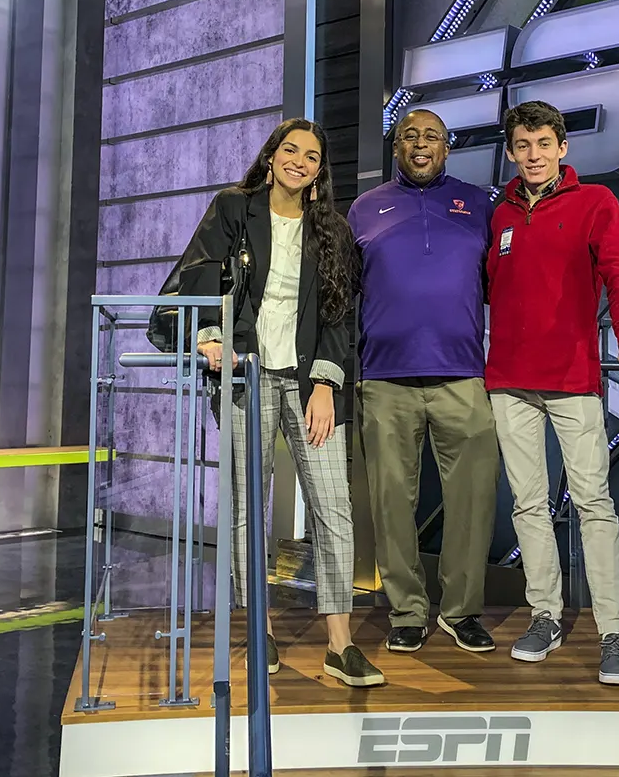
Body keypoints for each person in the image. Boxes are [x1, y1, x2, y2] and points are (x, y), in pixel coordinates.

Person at [159, 118, 384, 688]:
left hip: (310, 383)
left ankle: (340, 643)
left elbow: (338, 315)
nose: (300, 161)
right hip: (247, 377)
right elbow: (199, 277)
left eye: (312, 155)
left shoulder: (330, 228)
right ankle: (257, 630)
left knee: (333, 508)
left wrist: (328, 384)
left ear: (319, 170)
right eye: (291, 150)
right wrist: (210, 336)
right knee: (246, 511)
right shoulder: (234, 209)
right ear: (272, 155)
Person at [485, 100, 619, 685]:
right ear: (511, 152)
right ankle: (546, 616)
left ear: (562, 149)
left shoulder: (594, 202)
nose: (533, 156)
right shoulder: (498, 213)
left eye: (543, 145)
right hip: (507, 380)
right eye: (523, 146)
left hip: (573, 379)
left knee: (593, 505)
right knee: (528, 505)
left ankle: (613, 634)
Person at [349, 109, 500, 655]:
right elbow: (343, 294)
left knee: (473, 500)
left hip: (463, 376)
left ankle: (461, 613)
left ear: (447, 147)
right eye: (409, 135)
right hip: (384, 379)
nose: (419, 143)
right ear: (395, 147)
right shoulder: (364, 208)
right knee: (391, 501)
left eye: (431, 136)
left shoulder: (480, 205)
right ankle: (408, 611)